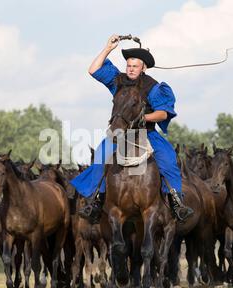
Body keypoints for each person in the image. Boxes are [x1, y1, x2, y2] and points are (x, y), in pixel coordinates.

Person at [70, 34, 193, 223]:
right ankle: (96, 201)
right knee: (101, 157)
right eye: (128, 65)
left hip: (147, 133)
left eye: (135, 66)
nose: (131, 69)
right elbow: (93, 69)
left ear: (143, 67)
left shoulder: (152, 87)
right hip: (120, 133)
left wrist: (142, 117)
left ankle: (176, 203)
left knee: (169, 160)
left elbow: (162, 114)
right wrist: (108, 48)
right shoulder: (118, 80)